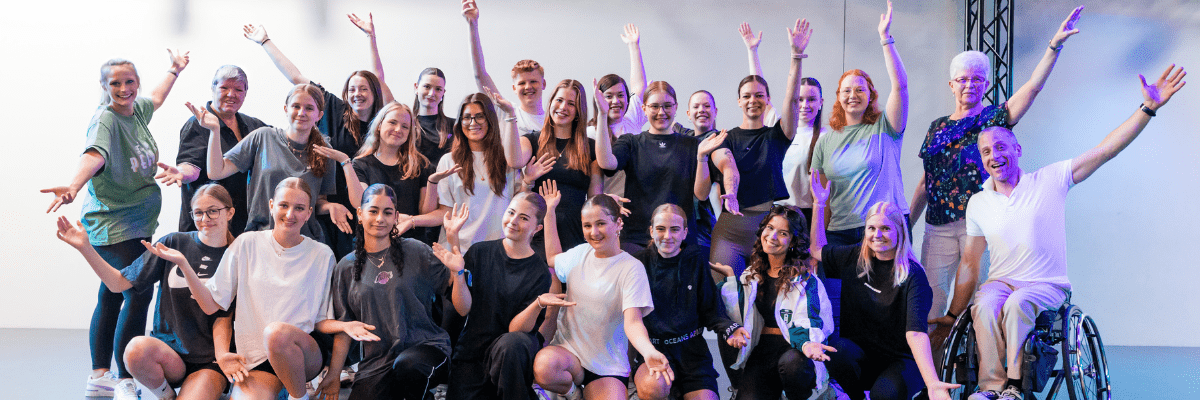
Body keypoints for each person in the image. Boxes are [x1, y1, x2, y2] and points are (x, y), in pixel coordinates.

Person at [934, 65, 1186, 400]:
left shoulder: (1049, 181)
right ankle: (990, 388)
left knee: (1019, 303)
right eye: (986, 152)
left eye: (1001, 147)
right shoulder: (979, 202)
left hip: (1045, 285)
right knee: (986, 304)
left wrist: (1147, 108)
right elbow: (969, 263)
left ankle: (1014, 387)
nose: (995, 155)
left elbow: (1106, 150)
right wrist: (953, 313)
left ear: (1017, 150)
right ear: (982, 161)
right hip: (1001, 282)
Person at [910, 6, 1084, 324]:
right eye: (962, 79)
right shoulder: (936, 127)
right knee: (929, 300)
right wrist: (908, 220)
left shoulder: (992, 118)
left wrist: (1053, 47)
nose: (969, 85)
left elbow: (1032, 88)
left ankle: (969, 365)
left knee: (972, 301)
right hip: (936, 228)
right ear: (951, 85)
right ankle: (931, 369)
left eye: (977, 79)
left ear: (986, 84)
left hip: (978, 225)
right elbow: (926, 181)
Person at [42, 51, 190, 399]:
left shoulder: (137, 109)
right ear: (104, 87)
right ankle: (125, 376)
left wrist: (174, 70)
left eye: (129, 82)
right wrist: (74, 186)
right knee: (134, 292)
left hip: (138, 218)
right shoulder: (106, 119)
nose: (124, 89)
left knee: (111, 294)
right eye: (116, 83)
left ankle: (98, 375)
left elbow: (157, 97)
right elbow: (94, 155)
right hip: (113, 219)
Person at [169, 178, 374, 400]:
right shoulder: (246, 244)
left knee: (276, 333)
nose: (290, 214)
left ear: (308, 213)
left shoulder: (322, 254)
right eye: (284, 205)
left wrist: (345, 325)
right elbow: (212, 305)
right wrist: (183, 264)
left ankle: (299, 396)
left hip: (302, 356)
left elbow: (320, 320)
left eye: (299, 208)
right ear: (271, 206)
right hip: (256, 359)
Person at [55, 184, 236, 400]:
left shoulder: (237, 253)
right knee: (135, 350)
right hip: (171, 355)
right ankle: (166, 396)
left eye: (213, 211)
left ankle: (210, 390)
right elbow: (118, 284)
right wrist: (86, 247)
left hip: (209, 360)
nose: (205, 218)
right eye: (198, 212)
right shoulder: (173, 243)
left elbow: (224, 316)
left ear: (230, 212)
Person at [243, 14, 393, 257]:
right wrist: (265, 41)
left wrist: (371, 39)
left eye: (364, 89)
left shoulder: (385, 123)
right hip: (333, 209)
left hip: (371, 208)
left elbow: (381, 79)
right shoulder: (336, 110)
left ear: (374, 93)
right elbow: (296, 78)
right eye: (352, 89)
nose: (357, 94)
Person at [811, 184, 959, 400]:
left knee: (884, 395)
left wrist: (933, 383)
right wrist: (819, 203)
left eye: (885, 228)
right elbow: (816, 249)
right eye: (871, 228)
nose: (877, 235)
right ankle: (856, 397)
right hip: (862, 356)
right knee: (836, 351)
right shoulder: (855, 257)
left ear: (900, 231)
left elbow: (916, 333)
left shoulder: (913, 275)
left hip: (900, 361)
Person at [329, 184, 466, 399]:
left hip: (426, 349)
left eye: (387, 212)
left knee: (408, 366)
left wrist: (456, 260)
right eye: (373, 211)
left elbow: (462, 305)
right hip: (377, 361)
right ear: (360, 214)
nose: (380, 218)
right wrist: (333, 375)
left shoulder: (416, 250)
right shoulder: (345, 267)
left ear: (396, 217)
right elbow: (344, 328)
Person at [533, 195, 672, 399]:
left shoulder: (632, 268)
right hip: (569, 354)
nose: (594, 232)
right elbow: (553, 259)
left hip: (607, 366)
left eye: (600, 224)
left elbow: (633, 323)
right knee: (544, 366)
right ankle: (573, 395)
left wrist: (648, 351)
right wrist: (550, 212)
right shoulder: (578, 254)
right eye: (587, 226)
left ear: (618, 223)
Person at [438, 186, 570, 400]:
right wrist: (458, 272)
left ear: (536, 228)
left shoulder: (539, 272)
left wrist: (537, 304)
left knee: (510, 345)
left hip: (514, 351)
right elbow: (463, 309)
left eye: (524, 217)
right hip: (474, 350)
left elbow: (514, 330)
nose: (513, 221)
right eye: (510, 212)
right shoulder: (479, 252)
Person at [709, 18, 813, 278]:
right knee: (725, 294)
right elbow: (727, 166)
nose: (753, 100)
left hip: (768, 227)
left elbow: (790, 100)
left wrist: (796, 57)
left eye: (759, 95)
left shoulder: (777, 135)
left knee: (768, 296)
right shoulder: (724, 137)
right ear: (738, 101)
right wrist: (731, 192)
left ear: (767, 100)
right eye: (747, 95)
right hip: (730, 229)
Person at [810, 0, 910, 246]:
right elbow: (821, 199)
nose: (852, 95)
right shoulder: (825, 142)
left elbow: (901, 86)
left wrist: (885, 39)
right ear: (838, 96)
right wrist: (818, 245)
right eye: (846, 90)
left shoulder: (886, 127)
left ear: (871, 95)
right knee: (838, 287)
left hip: (884, 230)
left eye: (859, 89)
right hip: (840, 234)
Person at [595, 81, 731, 254]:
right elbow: (607, 163)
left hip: (680, 241)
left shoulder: (693, 145)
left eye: (667, 106)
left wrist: (702, 157)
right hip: (638, 240)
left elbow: (701, 194)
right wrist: (602, 114)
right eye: (655, 106)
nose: (661, 112)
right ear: (644, 109)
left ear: (676, 108)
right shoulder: (631, 142)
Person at [713, 205, 833, 400]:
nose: (773, 236)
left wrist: (805, 344)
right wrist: (729, 282)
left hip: (795, 350)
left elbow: (812, 322)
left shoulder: (806, 281)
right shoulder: (751, 274)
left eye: (783, 232)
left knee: (793, 364)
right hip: (762, 350)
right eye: (770, 228)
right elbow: (736, 314)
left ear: (793, 241)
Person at [194, 83, 338, 244]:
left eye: (309, 108)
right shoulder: (263, 137)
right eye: (296, 106)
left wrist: (331, 207)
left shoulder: (325, 151)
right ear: (286, 109)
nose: (301, 113)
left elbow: (319, 201)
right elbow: (216, 172)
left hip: (304, 243)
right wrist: (214, 131)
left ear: (320, 115)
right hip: (261, 238)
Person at [633, 204, 749, 400]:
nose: (667, 236)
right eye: (661, 229)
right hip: (654, 350)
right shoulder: (637, 264)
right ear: (651, 231)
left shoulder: (697, 261)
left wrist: (731, 328)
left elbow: (712, 311)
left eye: (675, 229)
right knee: (654, 388)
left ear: (685, 232)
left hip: (692, 352)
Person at [314, 101, 458, 242]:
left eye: (405, 126)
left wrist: (432, 182)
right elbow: (360, 203)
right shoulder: (360, 164)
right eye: (392, 122)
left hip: (411, 244)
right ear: (379, 125)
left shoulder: (420, 165)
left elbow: (425, 213)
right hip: (373, 244)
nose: (398, 129)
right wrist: (345, 162)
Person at [494, 79, 601, 253]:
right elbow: (514, 161)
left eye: (571, 103)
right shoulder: (532, 140)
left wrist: (607, 204)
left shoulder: (590, 148)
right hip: (537, 231)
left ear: (578, 111)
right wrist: (511, 115)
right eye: (559, 100)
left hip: (575, 232)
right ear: (551, 102)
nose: (563, 107)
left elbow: (594, 198)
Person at [170, 65, 269, 236]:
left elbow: (284, 142)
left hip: (243, 225)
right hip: (206, 225)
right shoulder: (197, 124)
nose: (231, 94)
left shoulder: (254, 126)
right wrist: (181, 173)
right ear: (213, 88)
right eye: (224, 87)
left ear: (245, 93)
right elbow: (191, 166)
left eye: (238, 89)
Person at [436, 93, 525, 252]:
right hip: (459, 251)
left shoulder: (507, 160)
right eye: (467, 117)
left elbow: (520, 203)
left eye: (479, 116)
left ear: (490, 120)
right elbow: (446, 213)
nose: (473, 122)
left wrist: (529, 179)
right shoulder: (448, 161)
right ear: (460, 122)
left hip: (499, 251)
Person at [462, 0, 547, 135]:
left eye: (533, 81)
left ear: (543, 84)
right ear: (514, 88)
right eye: (522, 83)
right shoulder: (506, 111)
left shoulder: (554, 120)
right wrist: (473, 25)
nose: (528, 87)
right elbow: (480, 75)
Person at [586, 23, 651, 197]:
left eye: (621, 95)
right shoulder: (591, 132)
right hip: (608, 208)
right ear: (599, 98)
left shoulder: (632, 119)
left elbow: (639, 86)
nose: (616, 101)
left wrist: (633, 46)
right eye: (609, 96)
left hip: (637, 203)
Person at [413, 67, 458, 245]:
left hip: (447, 202)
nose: (432, 93)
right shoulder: (405, 125)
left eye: (438, 89)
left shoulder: (455, 127)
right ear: (416, 87)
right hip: (415, 201)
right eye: (427, 87)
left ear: (443, 93)